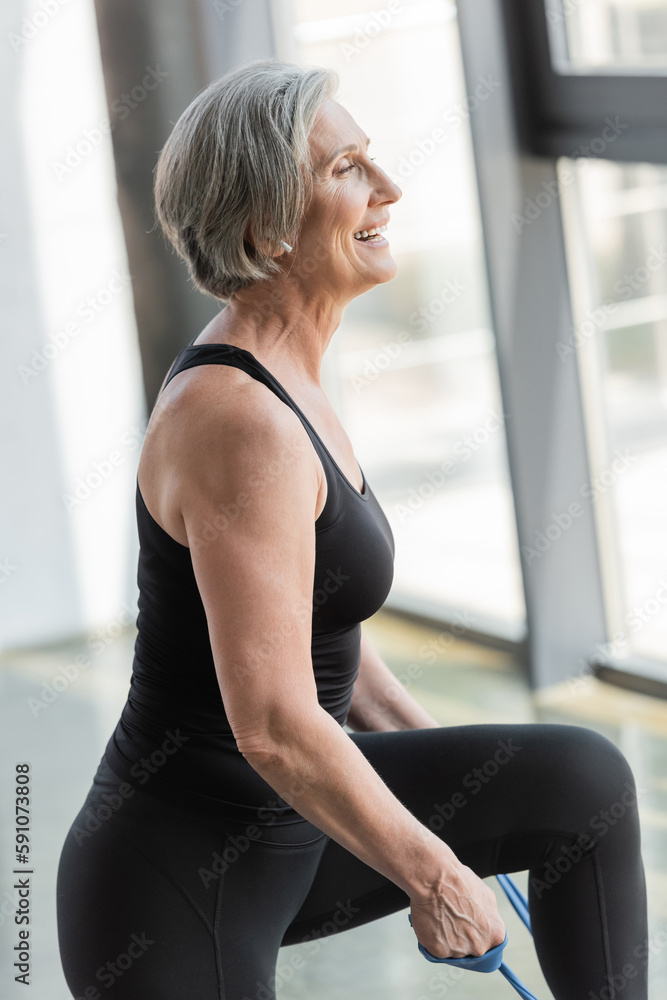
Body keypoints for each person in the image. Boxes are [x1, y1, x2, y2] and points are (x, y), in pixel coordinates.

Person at [56, 58, 648, 1000]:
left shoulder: (290, 373)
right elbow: (277, 726)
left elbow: (319, 624)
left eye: (371, 160)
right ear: (263, 229)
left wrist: (456, 807)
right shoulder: (237, 420)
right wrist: (434, 871)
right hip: (180, 876)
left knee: (576, 781)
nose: (389, 189)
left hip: (298, 825)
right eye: (346, 170)